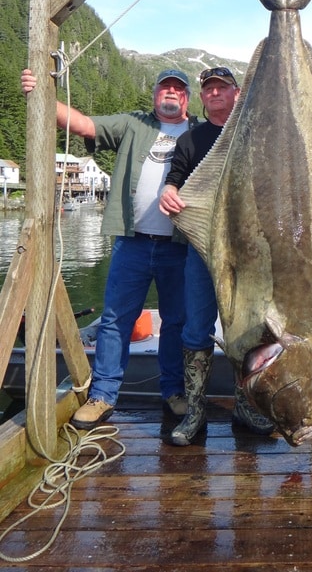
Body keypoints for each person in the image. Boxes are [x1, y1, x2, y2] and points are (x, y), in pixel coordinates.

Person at [21, 67, 197, 429]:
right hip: (131, 242)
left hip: (180, 245)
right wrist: (39, 93)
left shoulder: (200, 132)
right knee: (116, 321)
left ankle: (174, 392)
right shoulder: (133, 123)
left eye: (178, 90)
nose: (171, 93)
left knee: (177, 322)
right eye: (164, 87)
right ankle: (102, 395)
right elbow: (84, 125)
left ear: (187, 99)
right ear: (154, 95)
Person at [159, 66, 275, 443]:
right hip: (202, 250)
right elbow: (174, 178)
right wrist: (168, 191)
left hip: (250, 253)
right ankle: (195, 413)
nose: (214, 94)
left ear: (237, 93)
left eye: (222, 88)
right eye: (208, 89)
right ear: (203, 97)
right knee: (196, 329)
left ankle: (246, 407)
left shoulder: (255, 134)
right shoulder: (191, 140)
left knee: (247, 330)